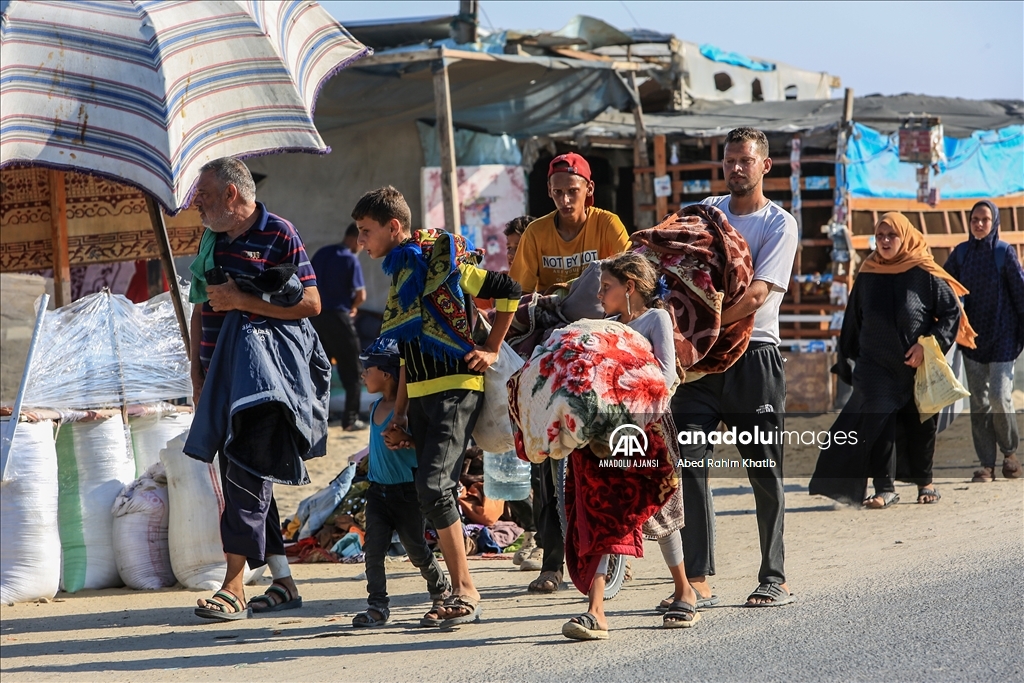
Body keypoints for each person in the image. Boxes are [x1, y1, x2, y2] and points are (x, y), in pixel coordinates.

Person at [353, 186, 521, 625]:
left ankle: (465, 589)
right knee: (431, 493)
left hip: (457, 388)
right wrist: (401, 412)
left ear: (393, 227)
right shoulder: (400, 274)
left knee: (432, 487)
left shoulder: (442, 262)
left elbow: (509, 290)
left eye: (365, 231)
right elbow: (408, 353)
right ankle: (450, 589)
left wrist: (492, 349)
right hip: (423, 396)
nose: (360, 242)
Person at [186, 157, 323, 621]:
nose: (195, 202)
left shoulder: (279, 233)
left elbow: (311, 303)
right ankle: (283, 582)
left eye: (203, 194)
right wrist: (196, 371)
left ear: (231, 194)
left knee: (246, 471)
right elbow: (201, 307)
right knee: (243, 473)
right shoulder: (211, 240)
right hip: (220, 376)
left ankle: (233, 587)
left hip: (266, 379)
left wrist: (243, 300)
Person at [673, 127, 799, 607]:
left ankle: (774, 576)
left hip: (754, 358)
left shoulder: (778, 224)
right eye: (729, 161)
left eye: (746, 160)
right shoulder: (706, 215)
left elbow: (758, 294)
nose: (736, 168)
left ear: (766, 165)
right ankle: (697, 579)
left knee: (764, 470)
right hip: (702, 367)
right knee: (691, 468)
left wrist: (703, 323)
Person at [559, 252, 694, 640]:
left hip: (648, 427)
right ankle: (595, 610)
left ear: (629, 287)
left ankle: (684, 590)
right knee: (603, 512)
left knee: (659, 510)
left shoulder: (656, 319)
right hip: (607, 434)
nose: (600, 295)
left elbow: (667, 376)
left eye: (607, 287)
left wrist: (630, 398)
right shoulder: (605, 327)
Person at [810, 213, 971, 507]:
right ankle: (884, 488)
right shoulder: (869, 272)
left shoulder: (925, 273)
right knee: (878, 423)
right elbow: (854, 320)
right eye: (879, 235)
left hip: (915, 366)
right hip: (876, 365)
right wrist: (846, 358)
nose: (884, 241)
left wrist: (928, 345)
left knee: (921, 426)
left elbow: (951, 313)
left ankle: (926, 483)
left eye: (891, 235)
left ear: (904, 237)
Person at [352, 341, 452, 628]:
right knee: (373, 549)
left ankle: (440, 589)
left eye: (366, 369)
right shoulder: (374, 408)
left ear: (386, 373)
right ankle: (377, 606)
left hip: (407, 492)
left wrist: (406, 440)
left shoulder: (409, 411)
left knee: (416, 549)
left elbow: (428, 446)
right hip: (377, 492)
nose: (362, 375)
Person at [944, 200, 1024, 482]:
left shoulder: (1005, 253)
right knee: (978, 402)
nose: (979, 224)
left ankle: (1010, 453)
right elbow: (944, 287)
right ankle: (986, 464)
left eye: (985, 219)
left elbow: (1020, 294)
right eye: (975, 219)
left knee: (1000, 397)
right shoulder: (961, 255)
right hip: (972, 341)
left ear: (994, 223)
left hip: (1003, 337)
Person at [509, 153, 630, 294]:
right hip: (550, 312)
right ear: (549, 190)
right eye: (557, 192)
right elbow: (518, 292)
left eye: (573, 191)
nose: (565, 200)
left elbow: (629, 275)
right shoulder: (535, 232)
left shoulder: (608, 224)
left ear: (589, 189)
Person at [310, 223, 368, 431]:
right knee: (352, 371)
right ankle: (350, 420)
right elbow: (361, 296)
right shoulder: (350, 258)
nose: (362, 245)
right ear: (354, 238)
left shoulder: (323, 253)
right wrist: (352, 308)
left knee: (317, 371)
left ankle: (316, 420)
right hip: (340, 319)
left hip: (316, 319)